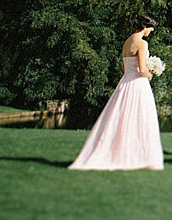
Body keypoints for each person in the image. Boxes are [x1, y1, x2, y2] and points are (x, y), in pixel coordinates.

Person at [69, 13, 164, 170]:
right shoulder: (141, 43)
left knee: (120, 117)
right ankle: (137, 155)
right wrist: (151, 74)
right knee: (140, 117)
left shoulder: (127, 41)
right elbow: (141, 69)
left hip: (125, 82)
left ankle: (119, 152)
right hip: (138, 84)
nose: (151, 31)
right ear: (146, 26)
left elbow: (123, 67)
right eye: (151, 28)